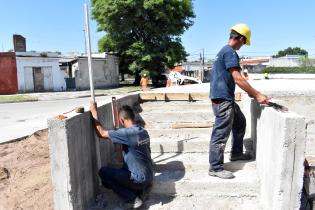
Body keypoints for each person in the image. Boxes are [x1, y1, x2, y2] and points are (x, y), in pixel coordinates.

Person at [208, 23, 271, 179]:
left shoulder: (223, 50)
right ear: (241, 38)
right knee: (221, 133)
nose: (243, 45)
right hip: (223, 100)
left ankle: (236, 153)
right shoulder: (230, 52)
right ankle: (215, 167)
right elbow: (238, 78)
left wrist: (250, 91)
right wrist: (257, 94)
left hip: (223, 97)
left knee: (240, 122)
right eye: (244, 42)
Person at [90, 103, 153, 209]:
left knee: (104, 172)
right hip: (149, 177)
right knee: (122, 169)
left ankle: (131, 199)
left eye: (121, 122)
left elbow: (101, 133)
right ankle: (139, 191)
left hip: (139, 179)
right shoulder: (143, 131)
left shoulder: (127, 133)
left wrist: (94, 113)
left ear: (122, 120)